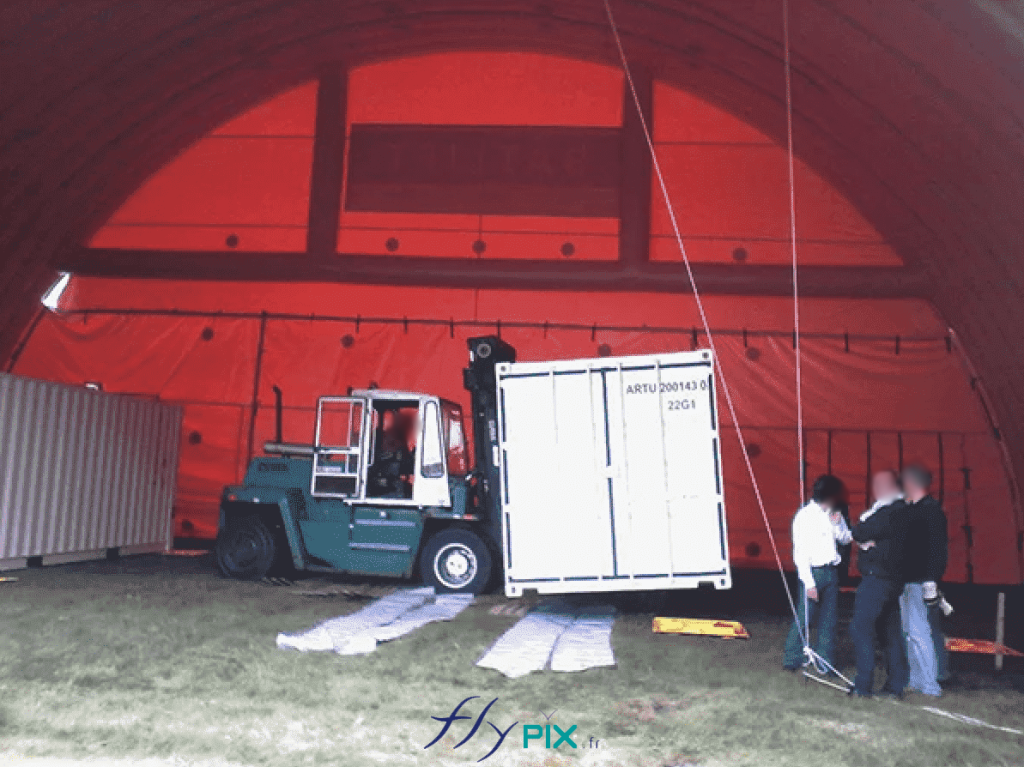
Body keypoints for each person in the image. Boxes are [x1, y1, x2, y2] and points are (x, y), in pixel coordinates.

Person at [849, 470, 910, 698]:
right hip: (893, 579)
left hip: (878, 577)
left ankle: (863, 685)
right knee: (889, 632)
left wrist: (865, 537)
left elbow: (860, 530)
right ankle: (896, 685)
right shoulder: (903, 511)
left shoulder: (890, 511)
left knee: (860, 628)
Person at [782, 475, 852, 674]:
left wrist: (838, 524)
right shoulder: (804, 516)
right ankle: (792, 658)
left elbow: (846, 539)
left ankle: (825, 661)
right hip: (813, 573)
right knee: (804, 617)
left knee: (829, 620)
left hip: (831, 571)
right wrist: (809, 583)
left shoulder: (833, 513)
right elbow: (800, 552)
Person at [899, 464, 948, 697]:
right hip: (908, 579)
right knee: (910, 632)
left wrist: (931, 579)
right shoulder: (916, 509)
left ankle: (930, 685)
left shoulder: (930, 511)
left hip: (920, 580)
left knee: (919, 632)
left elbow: (936, 548)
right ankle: (916, 680)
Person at [368, 410, 415, 498]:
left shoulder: (399, 437)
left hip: (395, 475)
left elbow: (404, 458)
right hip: (382, 477)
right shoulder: (377, 437)